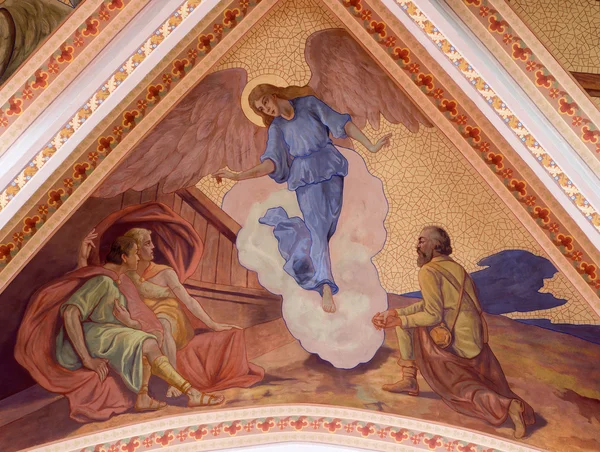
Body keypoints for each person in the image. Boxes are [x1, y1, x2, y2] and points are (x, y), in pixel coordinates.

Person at [213, 84, 391, 314]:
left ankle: (292, 235)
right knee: (317, 228)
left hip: (330, 166)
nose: (266, 109)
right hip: (305, 177)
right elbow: (272, 162)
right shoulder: (277, 128)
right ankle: (326, 285)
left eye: (265, 102)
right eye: (261, 109)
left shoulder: (309, 104)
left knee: (327, 228)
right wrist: (238, 175)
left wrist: (371, 146)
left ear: (274, 95)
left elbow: (341, 123)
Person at [372, 226, 536, 439]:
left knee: (458, 389)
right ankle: (410, 380)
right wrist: (395, 312)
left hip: (452, 340)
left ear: (434, 244)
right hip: (473, 336)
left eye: (422, 241)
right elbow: (441, 304)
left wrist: (399, 320)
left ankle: (508, 406)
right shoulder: (456, 268)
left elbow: (432, 315)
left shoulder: (428, 270)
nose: (417, 246)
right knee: (405, 322)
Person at [58, 236, 225, 409]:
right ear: (124, 257)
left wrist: (129, 322)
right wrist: (87, 360)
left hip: (105, 334)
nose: (138, 258)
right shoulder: (103, 281)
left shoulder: (119, 282)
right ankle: (192, 394)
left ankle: (143, 397)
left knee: (148, 337)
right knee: (149, 342)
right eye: (136, 254)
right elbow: (70, 313)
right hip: (90, 337)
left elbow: (129, 322)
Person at [122, 227, 240, 397]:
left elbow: (189, 301)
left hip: (171, 318)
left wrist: (213, 324)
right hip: (144, 319)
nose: (153, 247)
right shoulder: (127, 274)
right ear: (136, 250)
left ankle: (174, 382)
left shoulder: (165, 272)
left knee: (162, 324)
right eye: (148, 244)